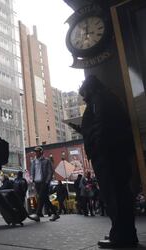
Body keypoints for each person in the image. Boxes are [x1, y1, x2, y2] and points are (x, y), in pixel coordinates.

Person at [69, 75, 138, 248]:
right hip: (114, 153)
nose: (83, 98)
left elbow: (101, 125)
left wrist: (98, 149)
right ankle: (124, 233)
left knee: (113, 196)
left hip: (107, 155)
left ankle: (120, 236)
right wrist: (83, 129)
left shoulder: (99, 99)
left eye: (84, 93)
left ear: (90, 88)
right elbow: (99, 125)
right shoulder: (107, 98)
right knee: (119, 195)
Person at [30, 146, 59, 222]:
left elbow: (50, 171)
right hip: (36, 182)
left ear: (41, 152)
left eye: (38, 151)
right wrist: (32, 180)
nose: (36, 153)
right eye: (35, 151)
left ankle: (38, 214)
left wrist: (47, 181)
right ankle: (55, 213)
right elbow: (32, 171)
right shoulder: (33, 161)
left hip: (44, 182)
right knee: (45, 199)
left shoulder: (46, 161)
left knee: (41, 198)